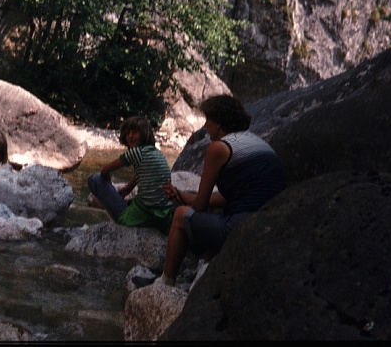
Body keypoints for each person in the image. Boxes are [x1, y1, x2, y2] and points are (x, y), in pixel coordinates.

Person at [150, 94, 286, 287]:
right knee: (215, 211)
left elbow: (200, 204)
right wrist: (181, 195)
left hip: (241, 229)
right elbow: (224, 198)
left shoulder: (219, 148)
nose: (205, 126)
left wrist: (180, 203)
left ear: (220, 124)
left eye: (208, 120)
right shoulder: (257, 142)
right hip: (267, 224)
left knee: (180, 216)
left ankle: (165, 281)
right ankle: (203, 271)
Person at [87, 116, 175, 234]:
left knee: (95, 179)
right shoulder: (154, 152)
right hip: (162, 216)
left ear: (144, 134)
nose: (130, 136)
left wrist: (107, 176)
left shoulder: (135, 152)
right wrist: (128, 188)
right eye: (128, 133)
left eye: (135, 132)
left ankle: (125, 217)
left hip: (144, 216)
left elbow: (105, 170)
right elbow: (141, 170)